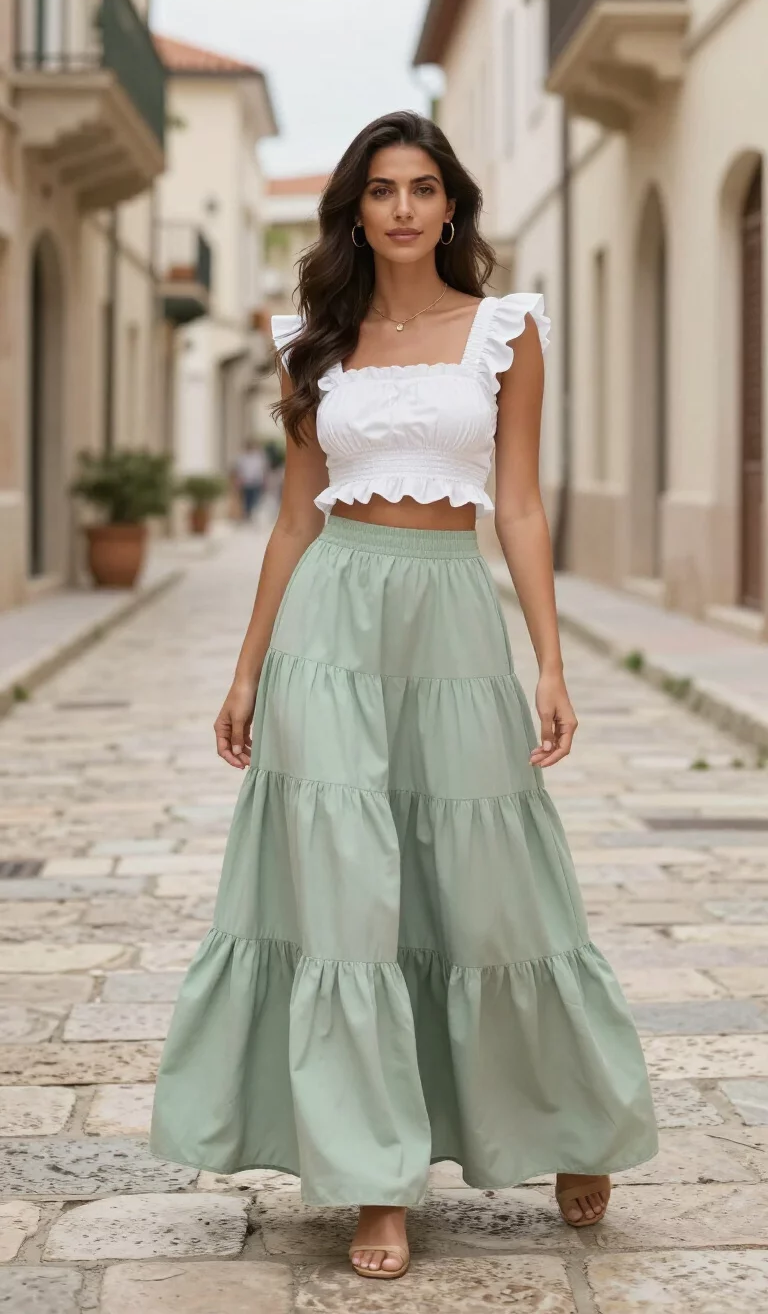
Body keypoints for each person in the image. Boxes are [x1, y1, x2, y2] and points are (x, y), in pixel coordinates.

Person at [150, 110, 658, 1282]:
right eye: (382, 190)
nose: (404, 209)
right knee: (345, 895)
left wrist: (550, 658)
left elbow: (519, 506)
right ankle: (376, 1177)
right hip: (330, 618)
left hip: (451, 616)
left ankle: (571, 1123)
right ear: (356, 209)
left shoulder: (506, 331)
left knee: (495, 893)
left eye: (425, 188)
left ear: (451, 206)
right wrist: (245, 669)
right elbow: (290, 518)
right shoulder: (312, 344)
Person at [233, 437, 268, 521]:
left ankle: (252, 513)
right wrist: (238, 480)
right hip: (246, 482)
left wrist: (264, 480)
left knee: (255, 498)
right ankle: (247, 514)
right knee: (247, 499)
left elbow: (263, 469)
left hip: (256, 482)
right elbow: (239, 469)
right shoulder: (242, 457)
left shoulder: (259, 457)